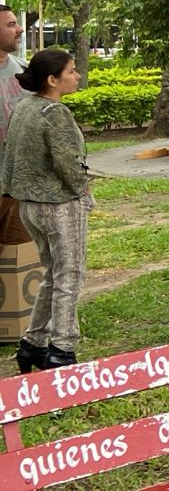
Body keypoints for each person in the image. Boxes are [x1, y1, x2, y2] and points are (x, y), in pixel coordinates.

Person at [4, 50, 89, 371]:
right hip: (58, 206)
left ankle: (33, 343)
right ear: (52, 80)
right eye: (71, 71)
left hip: (28, 206)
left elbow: (10, 156)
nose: (77, 75)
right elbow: (67, 163)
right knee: (70, 274)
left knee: (53, 273)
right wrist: (82, 187)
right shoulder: (55, 112)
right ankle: (62, 349)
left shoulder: (24, 107)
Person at [0, 5, 30, 246]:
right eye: (11, 25)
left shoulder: (25, 70)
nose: (20, 29)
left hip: (19, 186)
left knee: (20, 254)